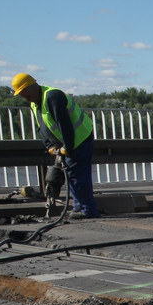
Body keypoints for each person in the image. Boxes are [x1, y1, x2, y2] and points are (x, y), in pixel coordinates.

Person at [12, 73, 100, 219]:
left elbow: (64, 124)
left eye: (25, 92)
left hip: (80, 139)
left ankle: (87, 210)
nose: (25, 96)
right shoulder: (35, 103)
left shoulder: (52, 96)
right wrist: (48, 146)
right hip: (68, 142)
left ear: (33, 86)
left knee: (77, 175)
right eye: (22, 94)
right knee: (72, 175)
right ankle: (80, 207)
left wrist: (68, 146)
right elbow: (42, 127)